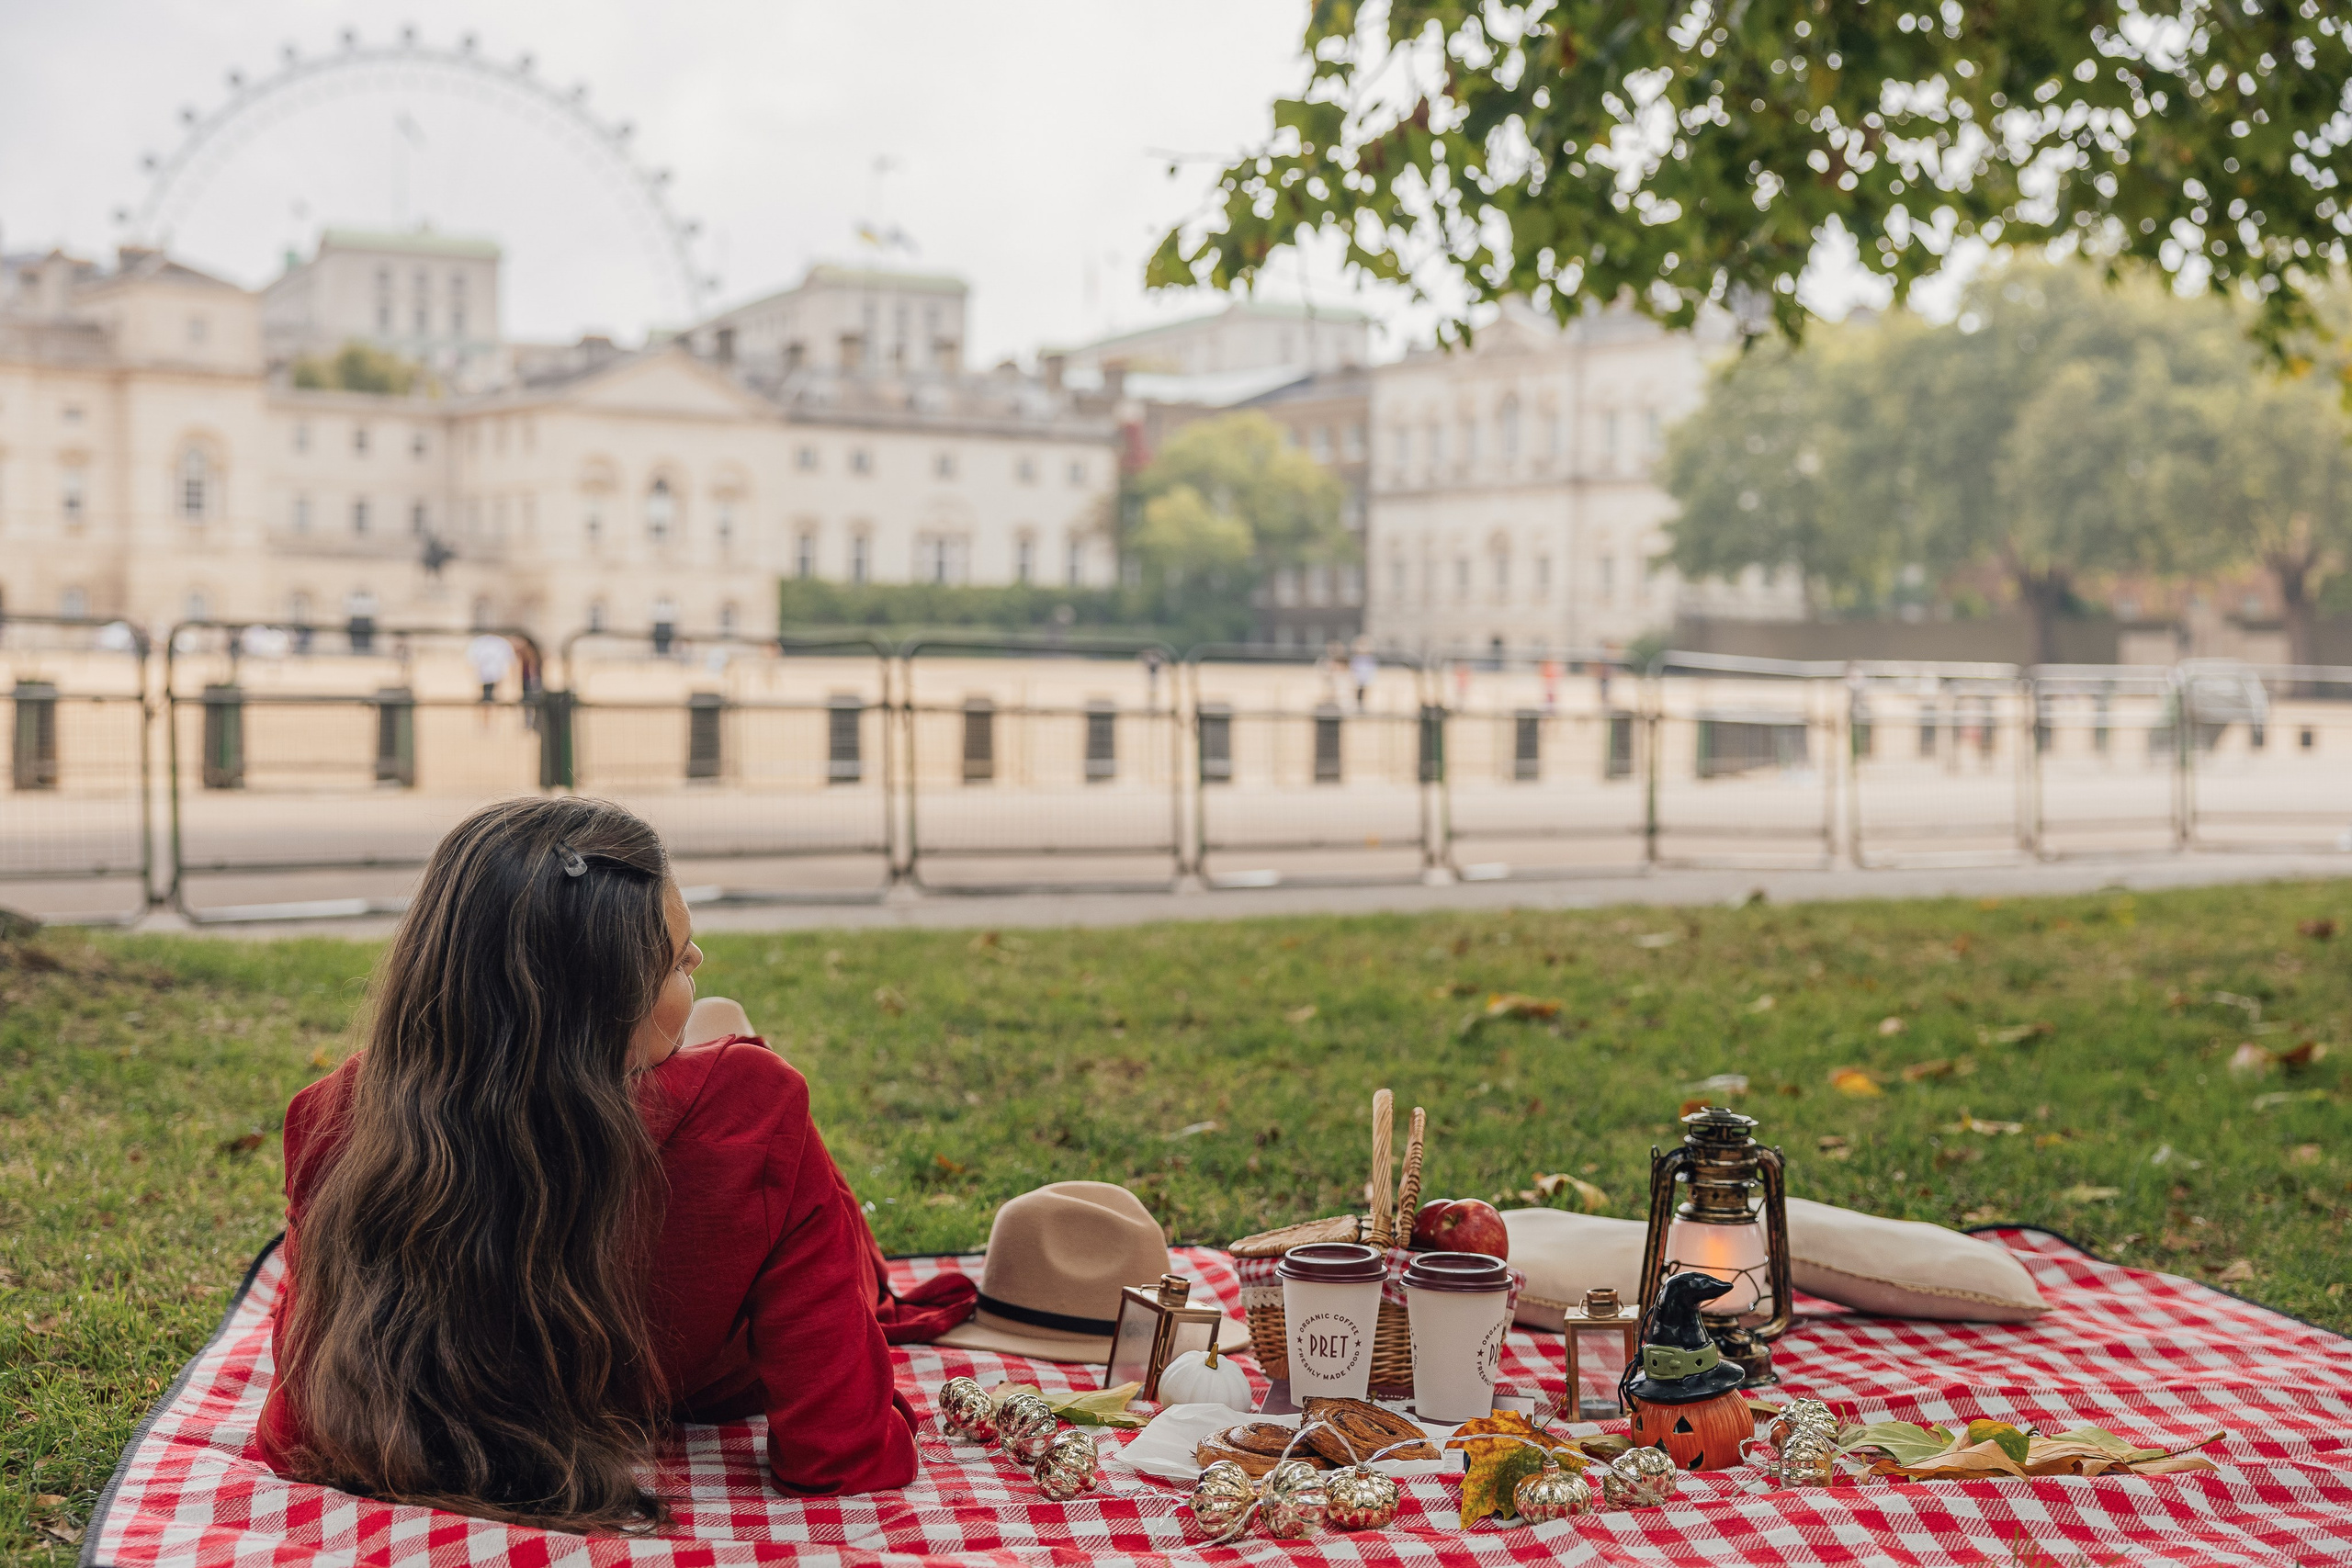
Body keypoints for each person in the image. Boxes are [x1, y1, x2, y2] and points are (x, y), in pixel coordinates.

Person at [256, 797, 971, 1529]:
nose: (693, 954)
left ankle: (706, 1033)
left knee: (712, 1027)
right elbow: (846, 1454)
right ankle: (717, 1035)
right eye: (671, 956)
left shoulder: (334, 1118)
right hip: (712, 1334)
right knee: (730, 1047)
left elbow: (293, 1431)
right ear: (601, 1009)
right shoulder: (757, 1112)